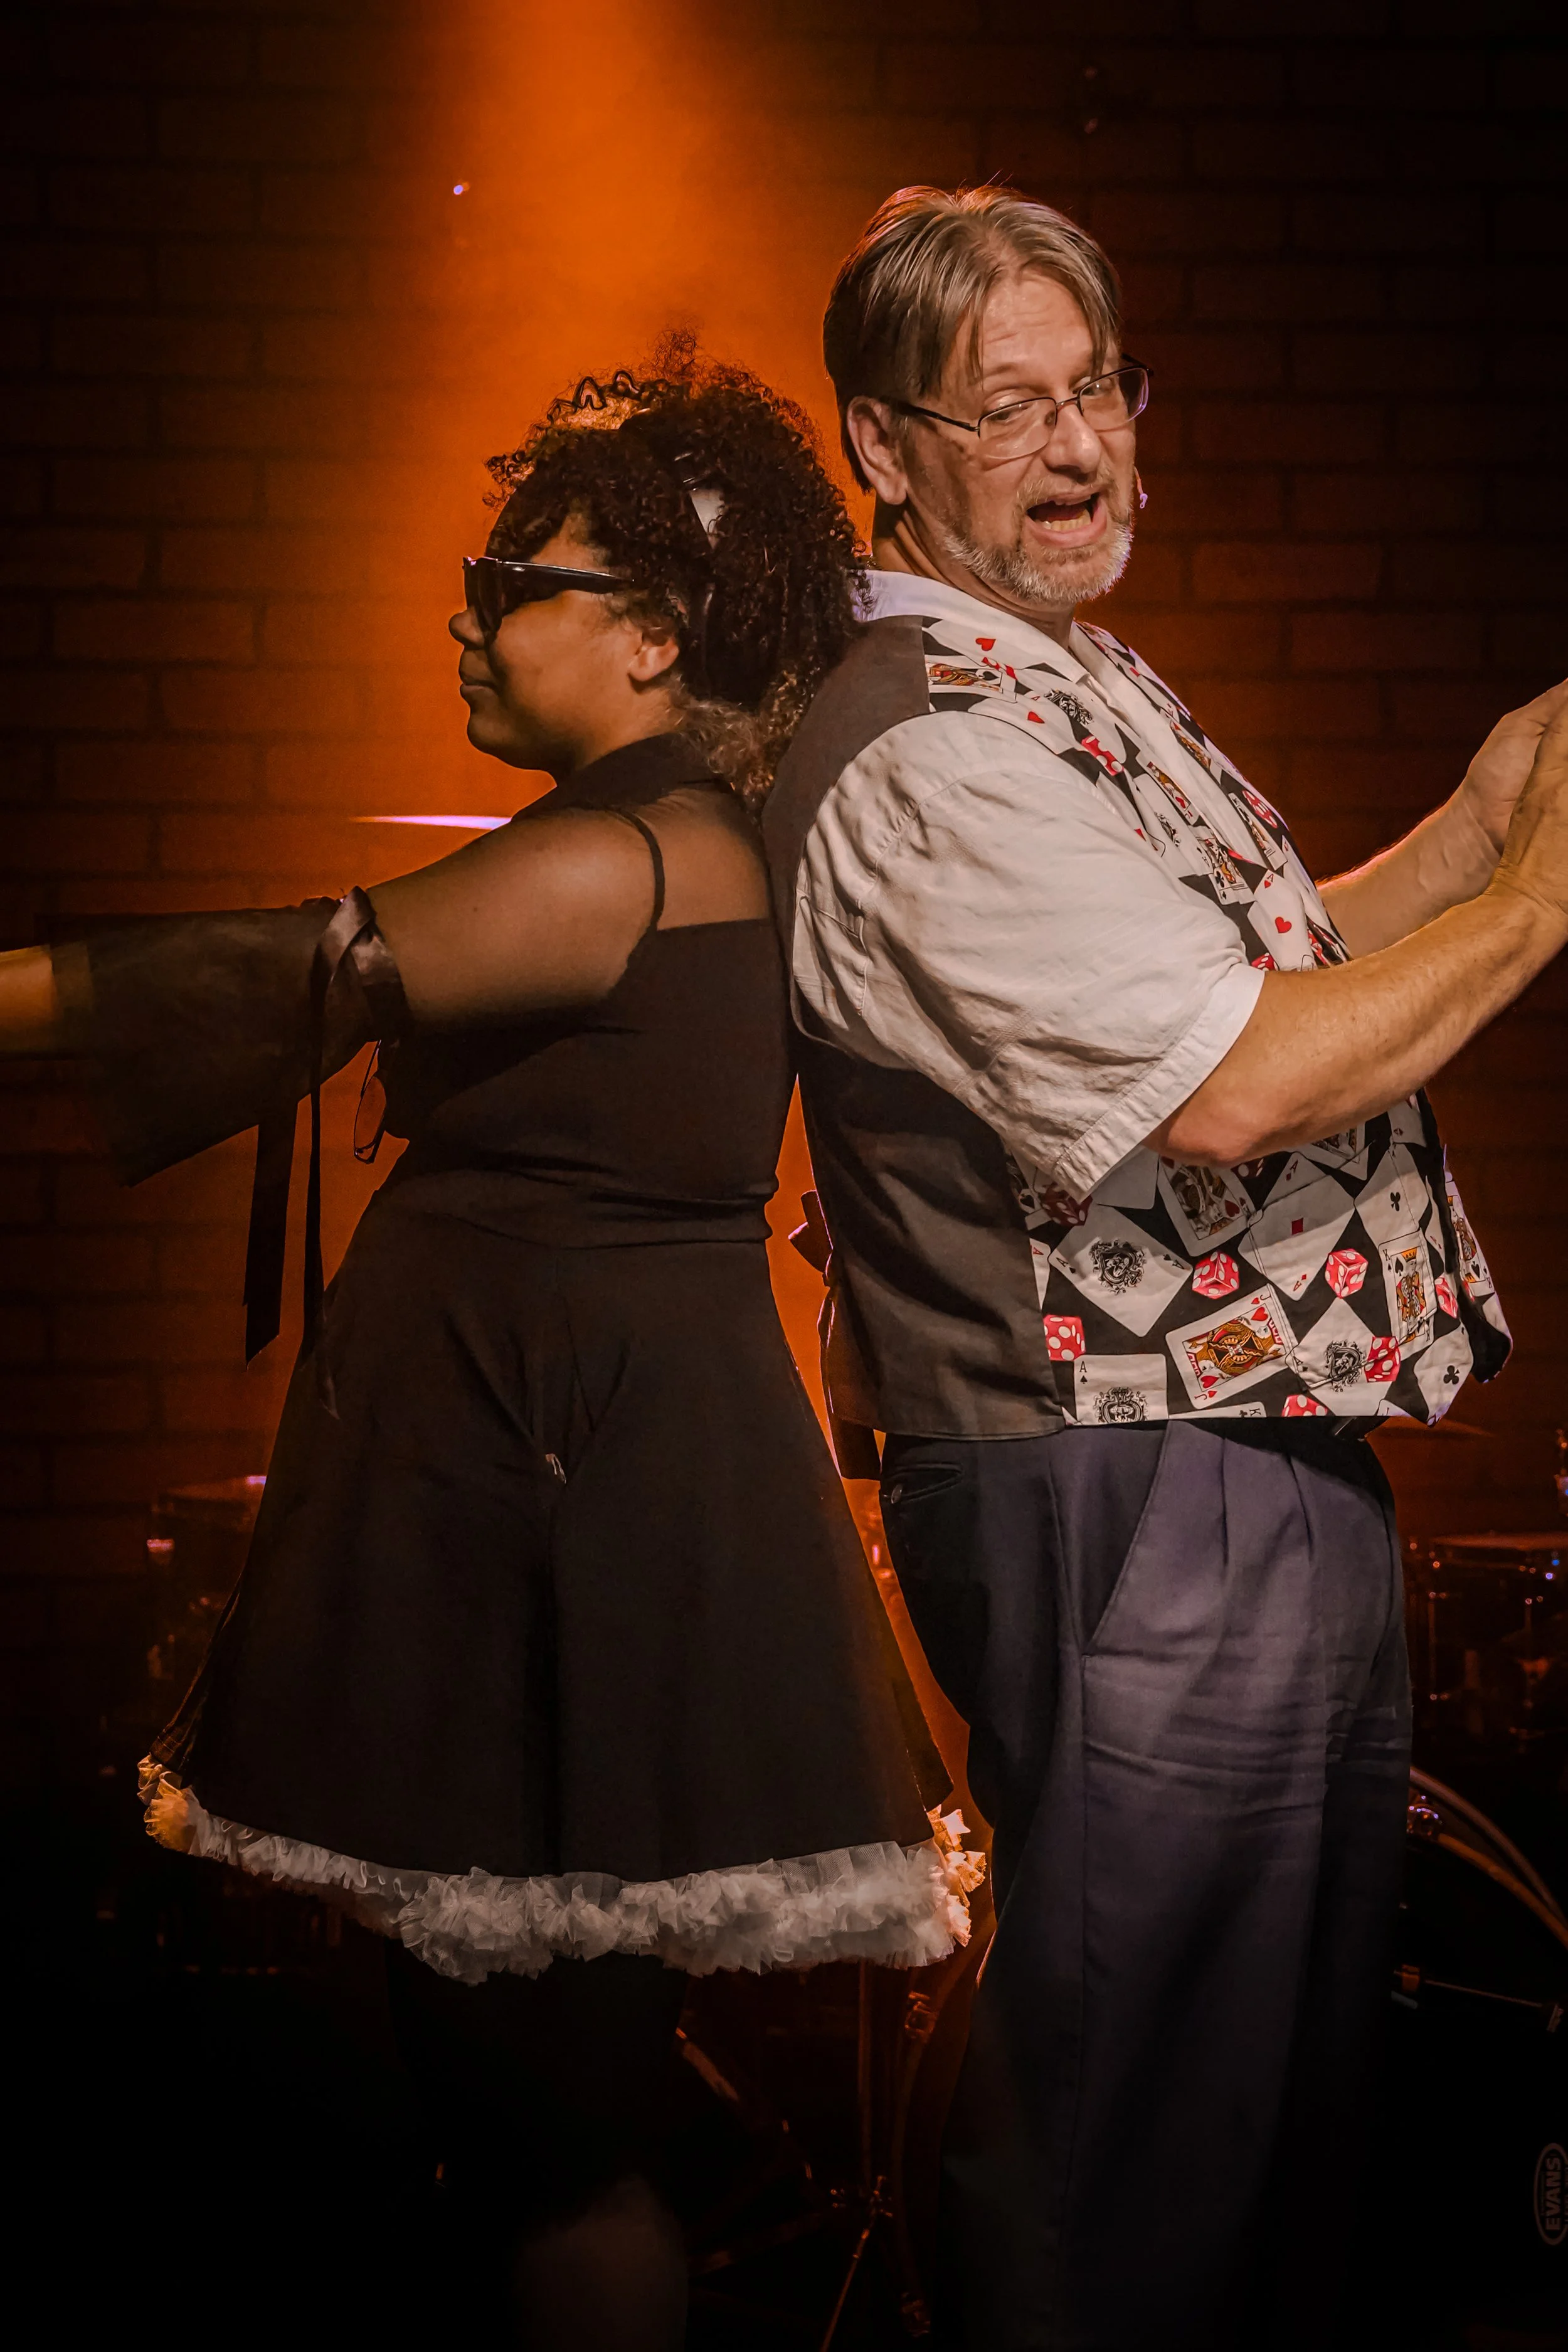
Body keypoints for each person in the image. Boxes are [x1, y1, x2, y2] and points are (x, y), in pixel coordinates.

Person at [0, 344, 978, 2348]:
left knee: (549, 2117)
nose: (469, 615)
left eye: (505, 579)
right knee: (523, 2108)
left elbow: (270, 973)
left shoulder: (627, 851)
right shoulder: (660, 831)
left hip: (573, 1516)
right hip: (541, 1489)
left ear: (647, 634)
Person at [762, 186, 1568, 2349]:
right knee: (1143, 2120)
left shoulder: (1059, 676)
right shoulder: (922, 733)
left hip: (1238, 1457)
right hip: (1114, 1473)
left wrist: (1488, 826)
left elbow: (1256, 967)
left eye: (1095, 385)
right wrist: (1539, 906)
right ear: (881, 440)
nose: (1077, 443)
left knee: (1282, 2109)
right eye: (1003, 403)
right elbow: (1225, 1082)